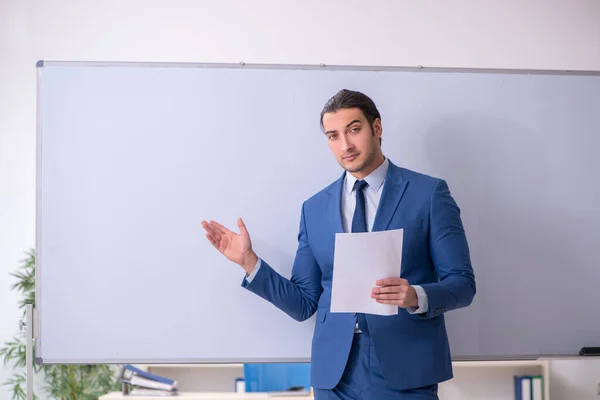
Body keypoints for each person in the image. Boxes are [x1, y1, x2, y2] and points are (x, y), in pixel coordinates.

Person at [201, 89, 476, 399]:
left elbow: (463, 284)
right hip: (335, 375)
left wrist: (415, 296)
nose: (345, 145)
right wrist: (249, 262)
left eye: (354, 130)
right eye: (333, 136)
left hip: (407, 369)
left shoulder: (427, 194)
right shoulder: (314, 208)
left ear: (377, 128)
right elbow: (304, 302)